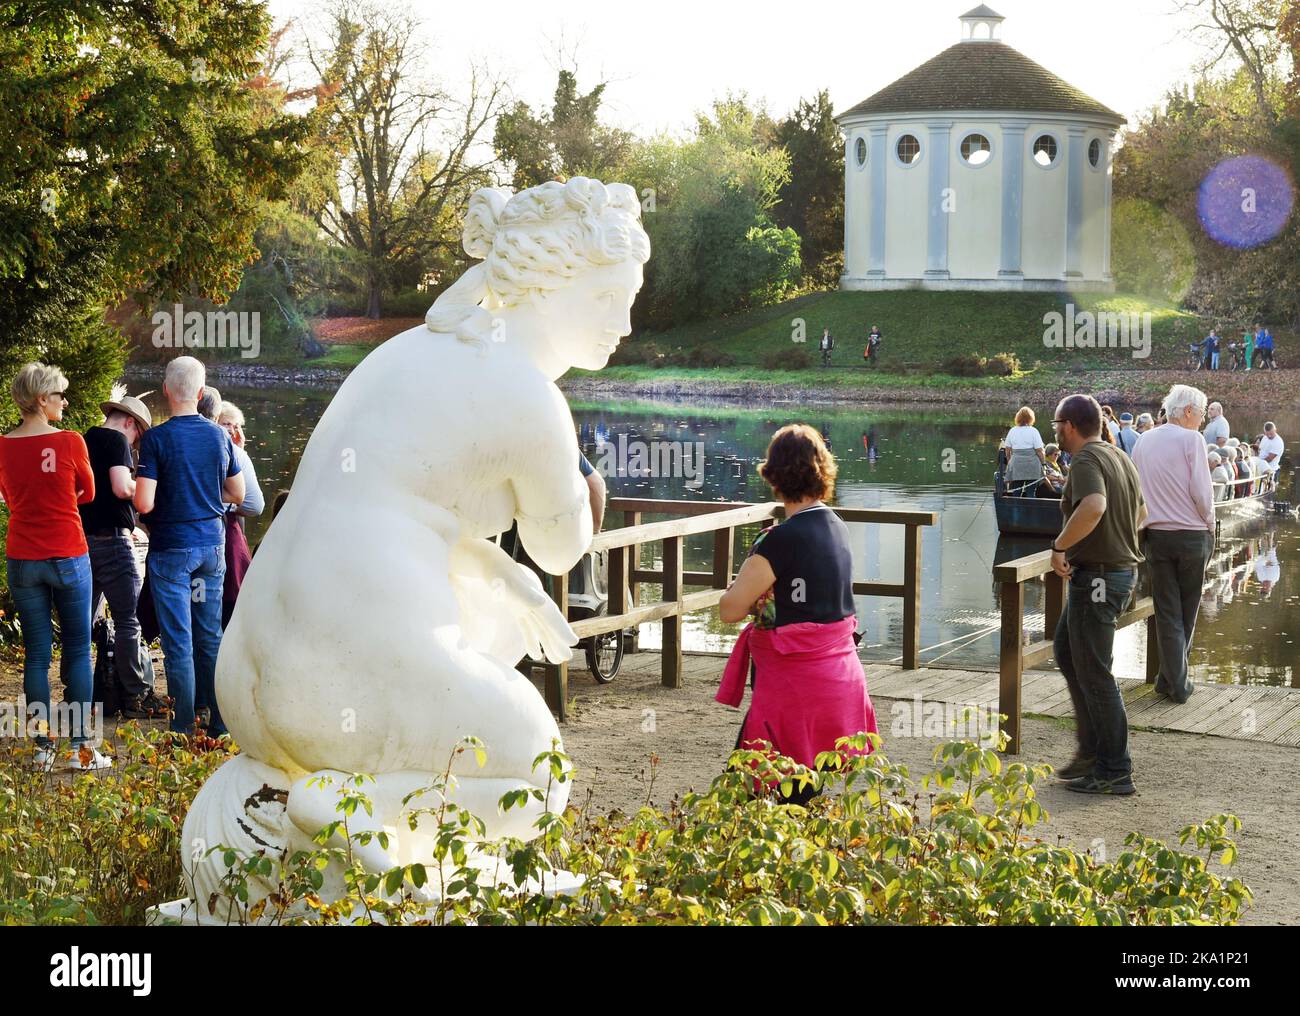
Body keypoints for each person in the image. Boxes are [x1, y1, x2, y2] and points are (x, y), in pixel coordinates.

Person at [717, 424, 877, 803]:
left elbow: (729, 609)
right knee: (803, 792)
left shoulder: (781, 540)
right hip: (839, 677)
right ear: (823, 470)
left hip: (795, 686)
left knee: (752, 795)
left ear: (773, 474)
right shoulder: (837, 527)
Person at [0, 364, 111, 770]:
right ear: (41, 400)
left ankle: (42, 749)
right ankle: (81, 749)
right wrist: (63, 498)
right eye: (59, 395)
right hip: (67, 552)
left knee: (36, 656)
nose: (64, 400)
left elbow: (9, 498)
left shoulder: (2, 445)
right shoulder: (69, 442)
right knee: (79, 650)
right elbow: (90, 491)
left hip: (23, 557)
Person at [134, 356, 244, 737]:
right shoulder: (219, 435)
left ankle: (182, 725)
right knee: (210, 635)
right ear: (200, 393)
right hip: (211, 547)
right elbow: (238, 492)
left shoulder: (156, 439)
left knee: (178, 640)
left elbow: (144, 503)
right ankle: (219, 723)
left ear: (166, 391)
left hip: (170, 550)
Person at [1048, 394, 1145, 795]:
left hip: (1100, 580)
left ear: (1069, 425)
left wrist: (1060, 546)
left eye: (1056, 424)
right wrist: (1114, 542)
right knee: (1067, 651)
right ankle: (1091, 750)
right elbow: (1141, 513)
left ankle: (1115, 769)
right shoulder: (1119, 455)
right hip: (1118, 573)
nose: (1054, 431)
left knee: (1096, 674)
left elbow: (1095, 505)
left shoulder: (1087, 459)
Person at [79, 386, 166, 718]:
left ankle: (82, 695)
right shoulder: (116, 442)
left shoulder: (83, 440)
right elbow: (120, 486)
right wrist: (142, 490)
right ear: (129, 423)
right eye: (137, 438)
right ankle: (135, 696)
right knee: (128, 621)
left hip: (82, 541)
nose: (134, 445)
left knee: (82, 621)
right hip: (113, 544)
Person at [1131, 385, 1215, 704]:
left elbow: (1136, 489)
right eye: (1202, 413)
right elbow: (1202, 493)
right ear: (1189, 411)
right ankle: (1179, 685)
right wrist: (1210, 526)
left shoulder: (1144, 439)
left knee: (1167, 611)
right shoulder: (1192, 439)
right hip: (1192, 535)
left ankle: (1167, 681)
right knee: (1187, 611)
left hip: (1156, 536)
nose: (1203, 420)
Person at [214, 401, 265, 629]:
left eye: (236, 426)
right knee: (228, 599)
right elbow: (255, 506)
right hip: (223, 537)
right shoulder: (233, 454)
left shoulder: (235, 453)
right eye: (227, 424)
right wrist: (233, 504)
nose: (233, 431)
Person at [1001, 406, 1046, 496]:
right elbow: (1039, 451)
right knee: (1031, 492)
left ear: (1018, 417)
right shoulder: (1034, 431)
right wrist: (1043, 464)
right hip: (1032, 464)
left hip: (1017, 463)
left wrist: (1010, 462)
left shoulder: (1012, 431)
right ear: (1031, 418)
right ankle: (1031, 510)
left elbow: (1007, 450)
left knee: (1016, 491)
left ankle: (1015, 509)